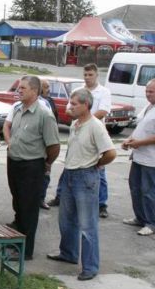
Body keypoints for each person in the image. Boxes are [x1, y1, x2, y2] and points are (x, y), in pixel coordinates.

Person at [47, 88, 116, 281]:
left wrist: (96, 165)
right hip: (70, 174)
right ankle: (68, 253)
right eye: (71, 102)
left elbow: (110, 153)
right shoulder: (75, 124)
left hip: (86, 177)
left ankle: (90, 267)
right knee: (66, 219)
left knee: (87, 224)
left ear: (86, 105)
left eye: (75, 103)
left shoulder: (95, 126)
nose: (70, 106)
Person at [6, 76, 60, 261]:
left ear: (35, 91)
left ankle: (26, 251)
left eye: (23, 88)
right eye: (18, 87)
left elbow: (54, 146)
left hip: (32, 166)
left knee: (29, 208)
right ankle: (17, 242)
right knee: (18, 205)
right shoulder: (19, 109)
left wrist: (45, 164)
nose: (18, 90)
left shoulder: (45, 114)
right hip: (14, 163)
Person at [48, 64, 112, 219]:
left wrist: (87, 120)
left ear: (96, 75)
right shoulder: (78, 91)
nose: (87, 77)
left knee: (98, 170)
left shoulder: (103, 92)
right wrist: (76, 115)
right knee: (69, 164)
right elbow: (69, 109)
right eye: (85, 74)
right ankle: (61, 195)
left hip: (93, 134)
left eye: (90, 74)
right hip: (76, 132)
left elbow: (103, 111)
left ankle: (101, 204)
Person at [121, 78, 155, 236]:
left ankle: (152, 224)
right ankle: (140, 217)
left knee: (149, 191)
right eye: (146, 91)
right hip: (139, 155)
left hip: (152, 158)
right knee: (135, 187)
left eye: (151, 91)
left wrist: (139, 142)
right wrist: (129, 140)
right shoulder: (149, 107)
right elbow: (141, 127)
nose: (148, 94)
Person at [39, 78, 59, 210]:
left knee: (46, 173)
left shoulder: (49, 101)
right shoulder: (38, 103)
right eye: (46, 87)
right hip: (39, 145)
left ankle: (41, 198)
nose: (49, 89)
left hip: (49, 144)